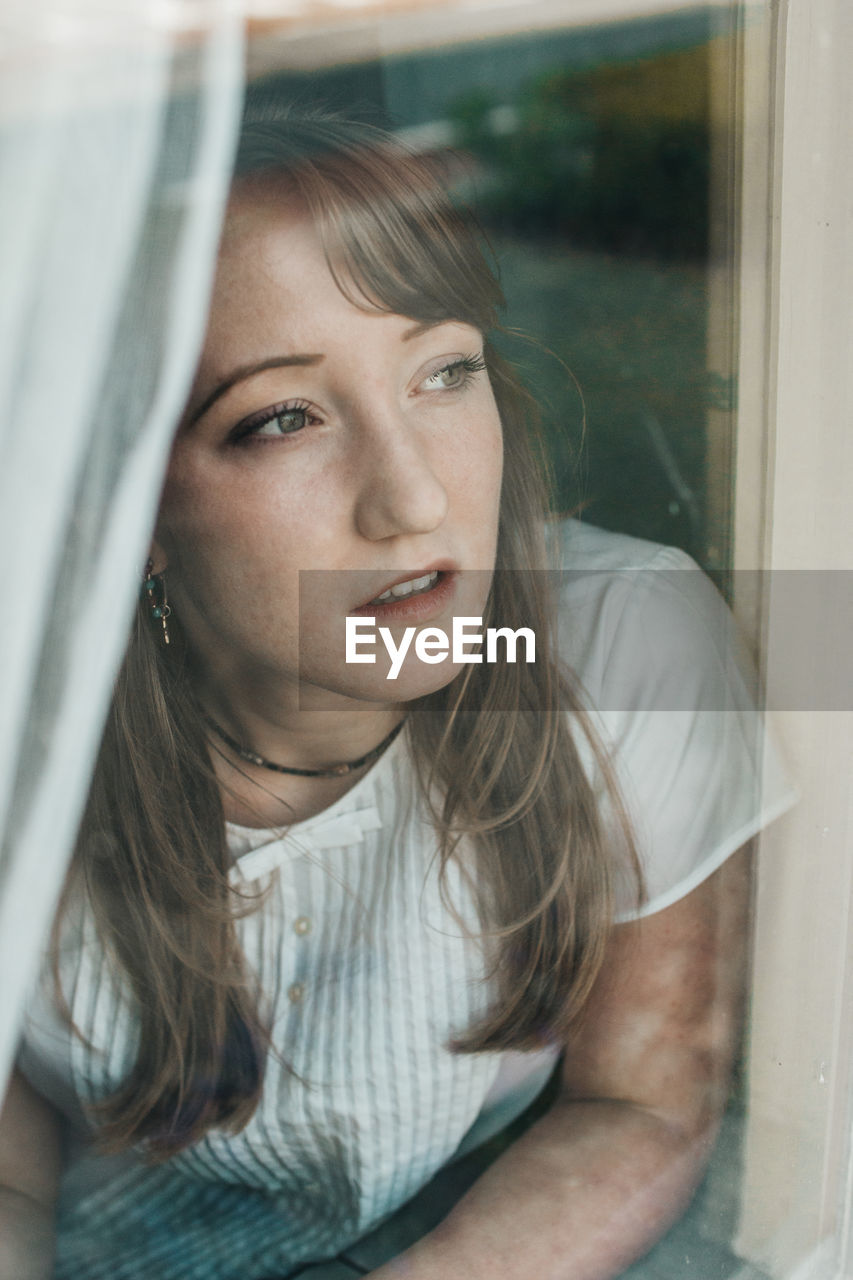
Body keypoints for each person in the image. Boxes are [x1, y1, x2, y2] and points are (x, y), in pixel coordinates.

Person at [0, 109, 790, 1280]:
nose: (412, 497)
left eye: (444, 371)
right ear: (129, 515)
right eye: (282, 418)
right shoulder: (33, 733)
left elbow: (643, 1098)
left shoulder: (621, 646)